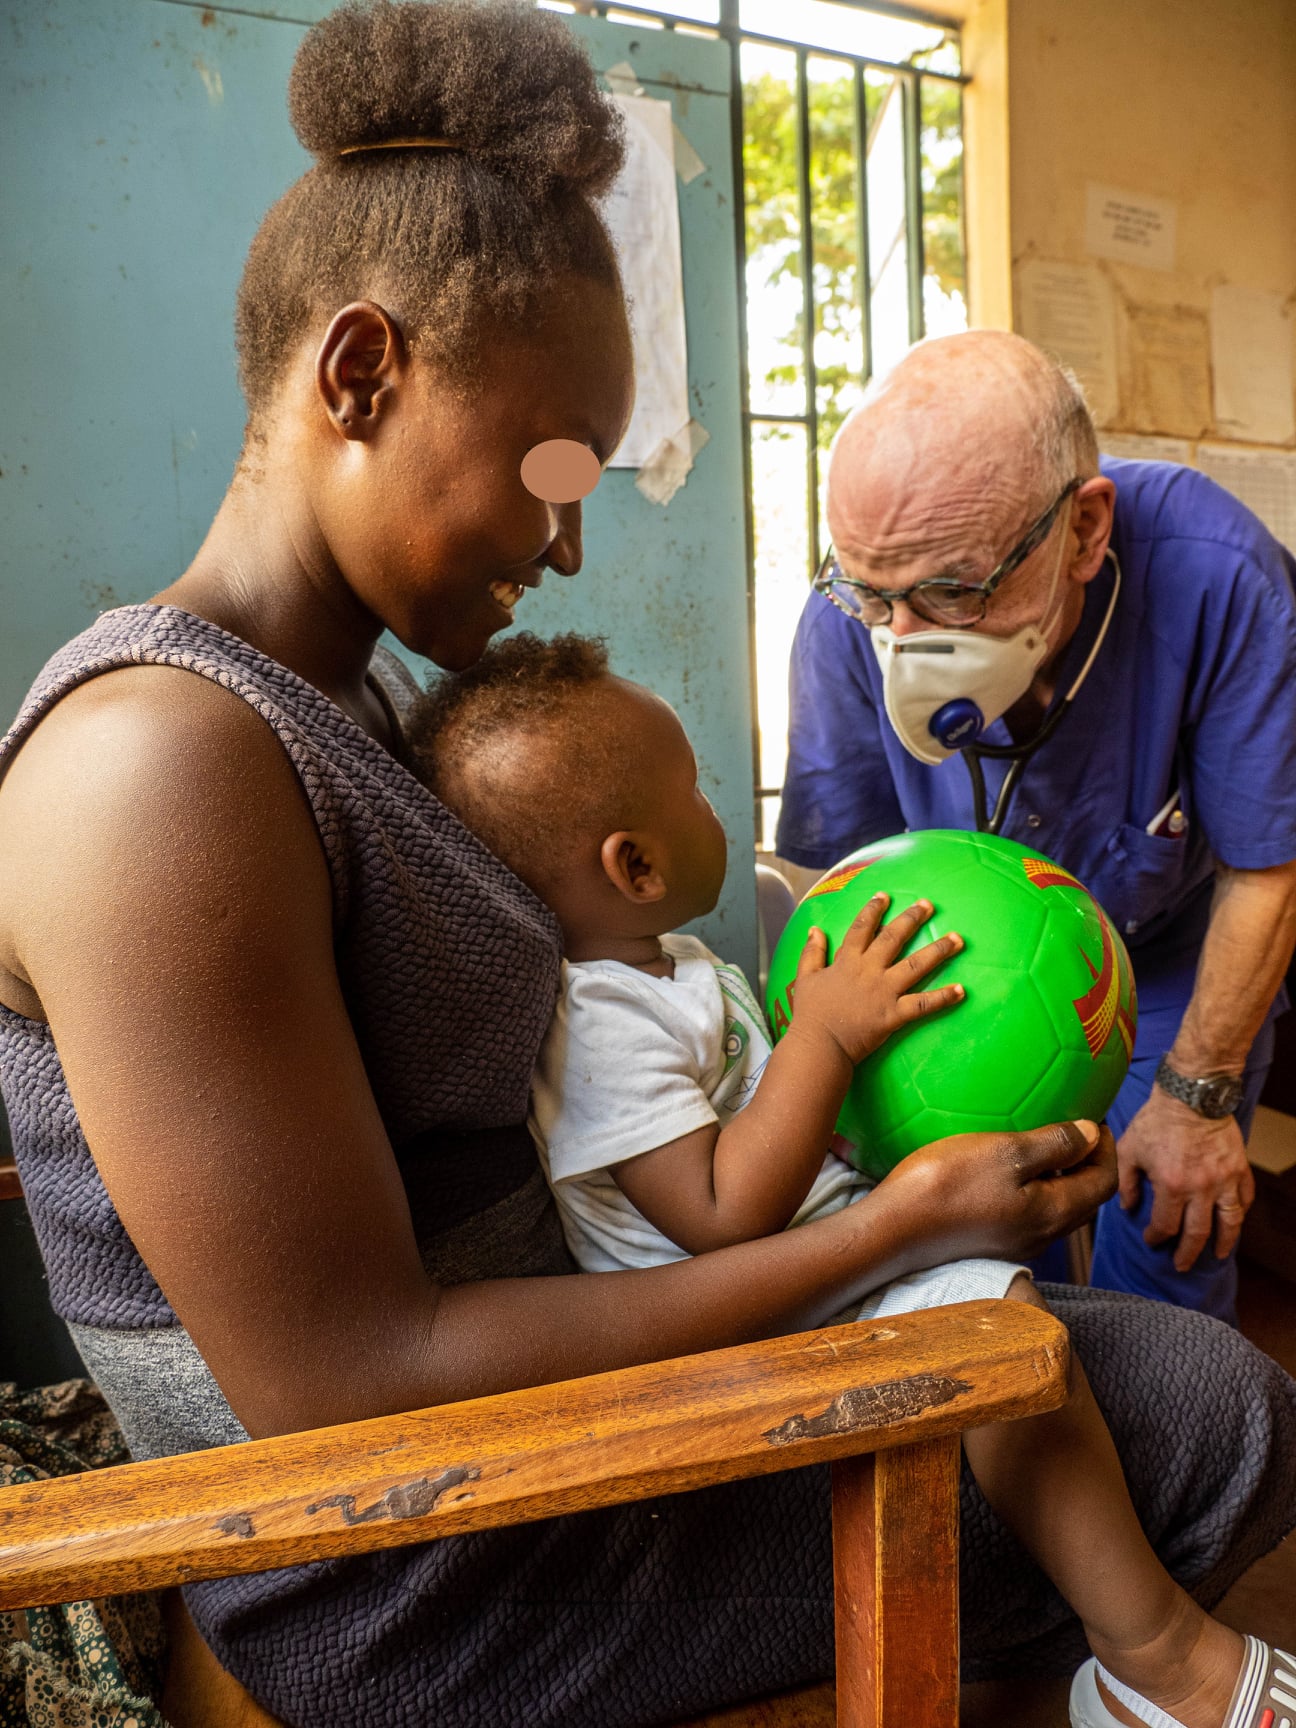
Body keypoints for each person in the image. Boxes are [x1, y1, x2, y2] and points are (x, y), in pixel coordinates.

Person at [0, 5, 1292, 1724]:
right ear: (362, 372)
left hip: (528, 1426)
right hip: (427, 1555)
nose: (574, 536)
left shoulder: (346, 703)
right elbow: (345, 1383)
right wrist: (884, 1227)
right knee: (1202, 1417)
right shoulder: (151, 766)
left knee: (1134, 1376)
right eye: (551, 469)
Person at [412, 629, 1291, 1728]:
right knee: (1008, 1350)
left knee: (1021, 1281)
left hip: (806, 1269)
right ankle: (1155, 1657)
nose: (713, 801)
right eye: (691, 786)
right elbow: (717, 1215)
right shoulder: (596, 1023)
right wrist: (824, 1040)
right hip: (739, 1332)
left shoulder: (672, 967)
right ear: (633, 865)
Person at [775, 330, 1296, 1325]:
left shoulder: (1220, 578)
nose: (906, 635)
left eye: (955, 590)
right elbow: (835, 880)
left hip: (1167, 962)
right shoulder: (843, 618)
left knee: (1168, 1228)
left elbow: (1266, 866)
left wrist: (1196, 1096)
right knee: (976, 1274)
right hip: (946, 970)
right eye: (876, 592)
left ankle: (1168, 1468)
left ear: (1086, 530)